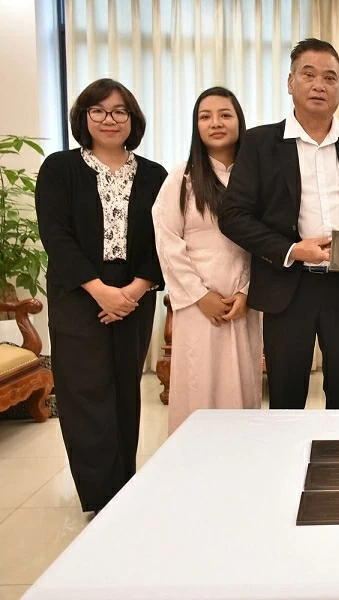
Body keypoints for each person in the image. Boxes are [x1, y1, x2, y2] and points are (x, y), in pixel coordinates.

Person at [218, 38, 339, 410]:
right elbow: (233, 216)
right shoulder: (260, 142)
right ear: (290, 82)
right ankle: (287, 467)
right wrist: (293, 249)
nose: (319, 85)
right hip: (287, 287)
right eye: (308, 74)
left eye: (330, 77)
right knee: (286, 394)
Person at [35, 78, 167, 513]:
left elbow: (162, 241)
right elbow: (57, 236)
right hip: (79, 292)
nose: (110, 120)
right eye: (99, 111)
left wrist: (133, 290)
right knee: (85, 391)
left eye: (119, 112)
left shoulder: (154, 175)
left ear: (133, 119)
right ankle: (97, 497)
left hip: (135, 290)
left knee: (124, 390)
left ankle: (124, 489)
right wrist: (99, 292)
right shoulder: (60, 168)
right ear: (84, 117)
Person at [153, 87, 262, 434]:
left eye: (225, 114)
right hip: (197, 306)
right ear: (196, 126)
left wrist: (247, 292)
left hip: (242, 304)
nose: (215, 123)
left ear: (239, 121)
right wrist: (201, 296)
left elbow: (263, 243)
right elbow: (167, 241)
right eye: (205, 116)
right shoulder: (182, 177)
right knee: (197, 389)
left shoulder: (256, 178)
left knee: (241, 387)